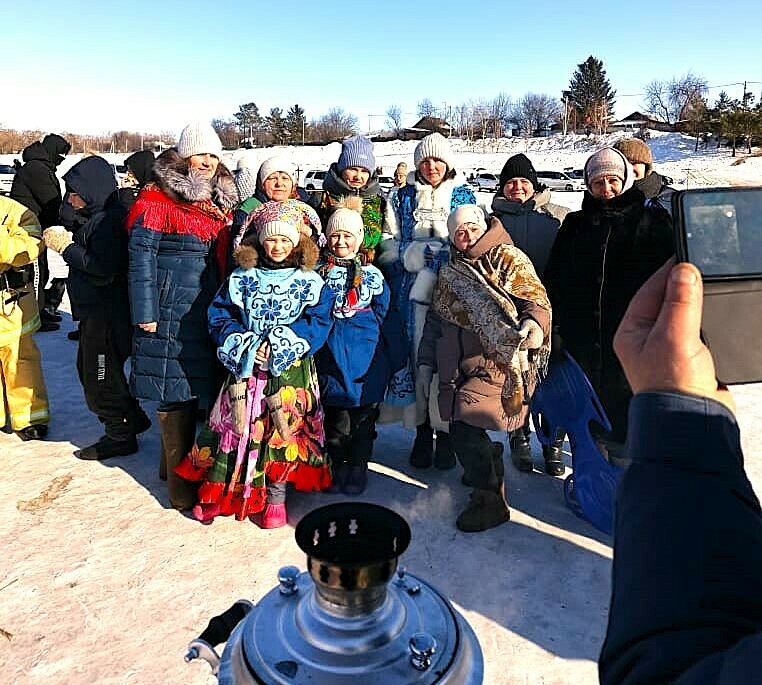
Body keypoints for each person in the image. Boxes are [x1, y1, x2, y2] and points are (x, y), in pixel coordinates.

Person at [599, 259, 762, 683]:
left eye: (612, 182)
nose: (604, 185)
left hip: (659, 347)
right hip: (639, 346)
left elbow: (678, 665)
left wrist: (678, 416)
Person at [175, 200, 334, 528]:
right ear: (260, 240)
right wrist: (240, 341)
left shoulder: (310, 281)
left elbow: (319, 320)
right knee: (236, 427)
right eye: (271, 239)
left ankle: (276, 498)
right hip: (246, 368)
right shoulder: (241, 277)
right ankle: (221, 492)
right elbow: (220, 314)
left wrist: (283, 342)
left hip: (288, 370)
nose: (277, 246)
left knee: (281, 429)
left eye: (285, 240)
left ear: (297, 242)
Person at [418, 205, 551, 532]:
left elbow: (535, 299)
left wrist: (535, 324)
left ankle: (490, 499)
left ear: (483, 225)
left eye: (471, 228)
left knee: (465, 425)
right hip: (455, 365)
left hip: (496, 362)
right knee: (462, 423)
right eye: (458, 232)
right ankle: (486, 460)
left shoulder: (508, 258)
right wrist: (425, 361)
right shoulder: (450, 272)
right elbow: (436, 321)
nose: (466, 235)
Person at [127, 121, 237, 510]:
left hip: (206, 308)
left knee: (194, 388)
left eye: (212, 155)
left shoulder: (220, 202)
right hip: (170, 310)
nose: (206, 162)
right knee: (175, 394)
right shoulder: (157, 201)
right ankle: (180, 490)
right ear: (183, 156)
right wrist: (146, 312)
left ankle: (172, 470)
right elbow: (141, 260)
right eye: (199, 154)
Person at [544, 147, 674, 460]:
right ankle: (591, 483)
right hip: (582, 341)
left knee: (626, 419)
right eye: (598, 182)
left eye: (613, 180)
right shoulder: (575, 225)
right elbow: (555, 281)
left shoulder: (651, 220)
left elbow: (668, 278)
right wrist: (555, 328)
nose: (606, 189)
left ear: (626, 180)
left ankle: (624, 483)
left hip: (631, 339)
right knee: (586, 418)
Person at [42, 156, 151, 461]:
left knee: (98, 375)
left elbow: (102, 267)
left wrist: (67, 248)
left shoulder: (108, 223)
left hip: (107, 313)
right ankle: (131, 417)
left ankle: (119, 434)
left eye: (75, 192)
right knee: (96, 370)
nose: (70, 199)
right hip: (96, 311)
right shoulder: (98, 215)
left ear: (91, 191)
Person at [378, 132, 477, 470]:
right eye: (426, 160)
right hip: (411, 293)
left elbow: (473, 238)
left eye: (438, 160)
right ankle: (421, 431)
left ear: (447, 163)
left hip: (452, 291)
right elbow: (388, 242)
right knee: (416, 358)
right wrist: (412, 255)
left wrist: (449, 257)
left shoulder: (463, 194)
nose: (432, 166)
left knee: (447, 360)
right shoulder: (400, 196)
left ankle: (446, 433)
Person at [491, 153, 569, 476]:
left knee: (551, 380)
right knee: (516, 378)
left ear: (534, 185)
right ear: (502, 188)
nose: (518, 188)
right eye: (511, 183)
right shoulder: (492, 221)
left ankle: (552, 442)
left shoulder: (557, 217)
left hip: (552, 311)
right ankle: (518, 436)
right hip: (509, 312)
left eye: (524, 182)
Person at [316, 201, 391, 495]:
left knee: (362, 419)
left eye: (348, 236)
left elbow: (386, 314)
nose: (341, 241)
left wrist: (390, 356)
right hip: (329, 355)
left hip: (366, 355)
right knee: (335, 420)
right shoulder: (318, 273)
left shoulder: (371, 275)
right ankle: (335, 466)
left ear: (358, 238)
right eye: (335, 235)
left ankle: (358, 466)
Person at [10, 133, 71, 331]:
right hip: (26, 232)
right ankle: (35, 315)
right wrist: (65, 221)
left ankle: (40, 307)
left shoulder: (41, 167)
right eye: (61, 155)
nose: (62, 159)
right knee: (34, 273)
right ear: (52, 151)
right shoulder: (36, 169)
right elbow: (50, 201)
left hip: (36, 229)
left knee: (41, 270)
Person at [0, 196, 49, 440]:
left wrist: (2, 245)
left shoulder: (12, 210)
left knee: (21, 361)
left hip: (11, 303)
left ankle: (31, 418)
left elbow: (32, 245)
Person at [317, 136, 385, 262]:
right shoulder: (323, 200)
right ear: (342, 169)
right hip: (329, 265)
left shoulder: (380, 201)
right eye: (353, 169)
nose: (358, 176)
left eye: (364, 171)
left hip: (373, 268)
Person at [614, 137, 675, 214]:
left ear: (646, 167)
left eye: (633, 163)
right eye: (622, 164)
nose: (628, 168)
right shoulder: (605, 197)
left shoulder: (670, 199)